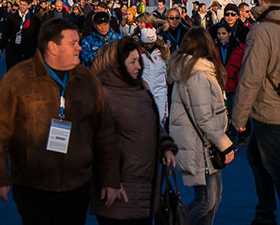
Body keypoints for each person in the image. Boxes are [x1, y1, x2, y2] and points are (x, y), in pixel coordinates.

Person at [0, 18, 122, 225]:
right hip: (32, 184)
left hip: (78, 182)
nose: (80, 47)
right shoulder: (18, 78)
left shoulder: (88, 79)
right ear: (53, 47)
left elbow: (105, 132)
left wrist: (110, 178)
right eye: (73, 43)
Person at [231, 0, 280, 225]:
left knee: (278, 167)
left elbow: (251, 77)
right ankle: (265, 213)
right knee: (256, 157)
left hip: (268, 108)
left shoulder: (262, 30)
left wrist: (238, 118)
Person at [90, 37, 177, 224]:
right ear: (117, 65)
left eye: (139, 61)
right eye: (132, 62)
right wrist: (109, 180)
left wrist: (166, 147)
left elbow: (153, 124)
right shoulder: (103, 95)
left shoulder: (140, 91)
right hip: (119, 189)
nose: (138, 66)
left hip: (145, 187)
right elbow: (100, 145)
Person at [169, 27, 236, 225]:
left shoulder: (192, 70)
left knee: (212, 199)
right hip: (201, 145)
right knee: (206, 201)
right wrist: (226, 145)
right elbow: (204, 118)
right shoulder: (198, 75)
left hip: (201, 143)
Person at [215, 24, 248, 146]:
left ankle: (236, 135)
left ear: (229, 34)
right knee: (222, 111)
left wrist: (239, 79)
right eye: (219, 34)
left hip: (234, 83)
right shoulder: (215, 48)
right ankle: (225, 136)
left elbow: (243, 65)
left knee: (235, 110)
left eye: (223, 33)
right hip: (221, 84)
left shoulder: (239, 48)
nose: (221, 36)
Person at [0, 0, 42, 70]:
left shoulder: (35, 19)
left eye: (24, 5)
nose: (22, 7)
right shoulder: (12, 18)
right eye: (20, 4)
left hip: (29, 51)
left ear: (29, 5)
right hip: (15, 50)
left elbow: (38, 34)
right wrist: (1, 47)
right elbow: (6, 33)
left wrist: (40, 47)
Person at [138, 24, 170, 126]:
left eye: (151, 43)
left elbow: (169, 68)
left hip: (160, 91)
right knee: (144, 121)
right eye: (147, 43)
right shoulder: (138, 52)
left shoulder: (163, 51)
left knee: (161, 120)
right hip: (144, 92)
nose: (149, 46)